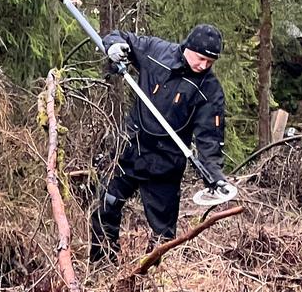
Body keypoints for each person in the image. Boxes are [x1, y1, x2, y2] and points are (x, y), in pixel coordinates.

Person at [89, 24, 229, 263]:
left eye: (210, 62)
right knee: (106, 204)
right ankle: (103, 264)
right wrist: (114, 46)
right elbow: (122, 37)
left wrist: (214, 173)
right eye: (201, 58)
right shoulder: (156, 51)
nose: (204, 65)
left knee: (162, 234)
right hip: (130, 149)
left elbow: (210, 137)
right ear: (188, 48)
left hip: (166, 164)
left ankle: (153, 280)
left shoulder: (209, 90)